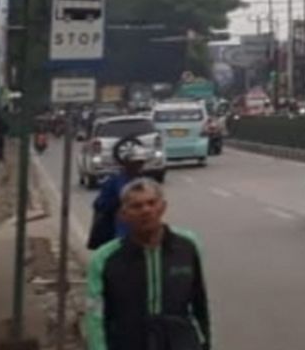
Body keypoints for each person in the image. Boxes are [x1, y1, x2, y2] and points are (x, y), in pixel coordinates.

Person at [84, 179, 211, 350]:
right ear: (123, 214)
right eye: (136, 206)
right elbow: (94, 316)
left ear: (163, 207)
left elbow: (201, 304)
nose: (146, 210)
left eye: (151, 203)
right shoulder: (105, 259)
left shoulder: (187, 246)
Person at [88, 144, 151, 249]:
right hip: (119, 229)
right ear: (127, 163)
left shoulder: (144, 182)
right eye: (135, 163)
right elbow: (99, 204)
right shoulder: (114, 181)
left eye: (140, 163)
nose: (138, 166)